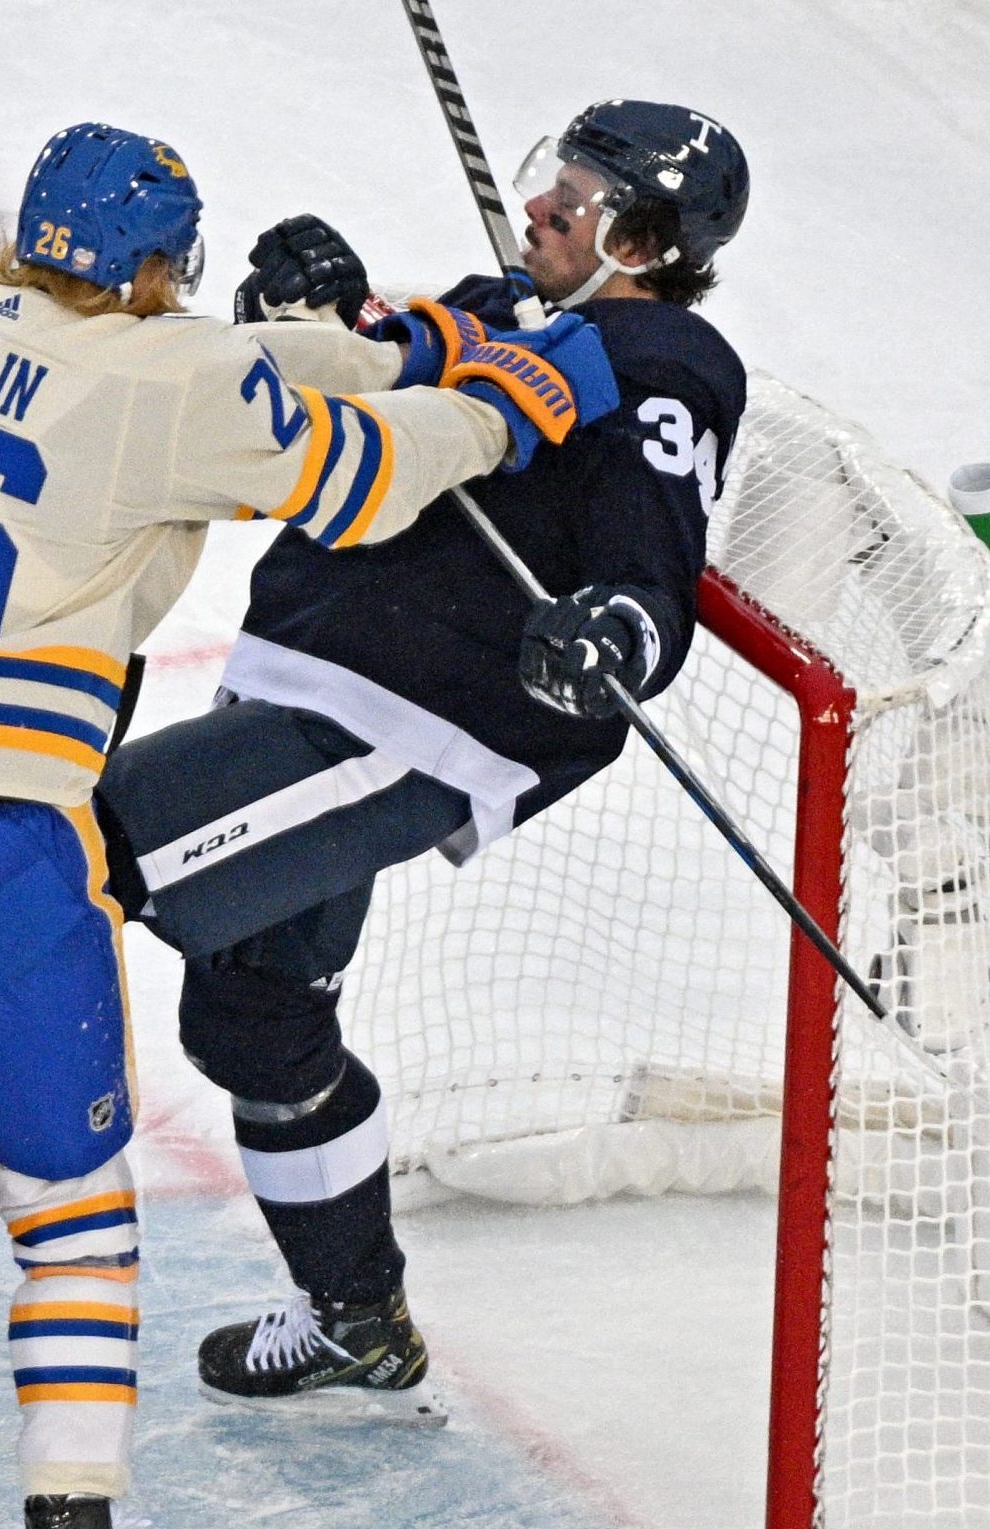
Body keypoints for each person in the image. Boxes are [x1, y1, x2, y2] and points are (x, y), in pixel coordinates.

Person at [0, 120, 618, 1529]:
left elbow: (219, 377)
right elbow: (358, 480)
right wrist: (507, 400)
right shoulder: (173, 375)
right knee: (71, 1218)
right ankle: (72, 1507)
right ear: (164, 262)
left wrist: (397, 344)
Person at [93, 99, 750, 1419]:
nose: (550, 208)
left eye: (589, 199)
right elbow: (365, 370)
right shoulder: (498, 306)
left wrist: (617, 631)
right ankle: (357, 1320)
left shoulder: (663, 353)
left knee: (61, 858)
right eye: (550, 181)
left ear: (654, 242)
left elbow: (654, 563)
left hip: (402, 724)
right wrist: (315, 313)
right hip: (305, 669)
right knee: (257, 1016)